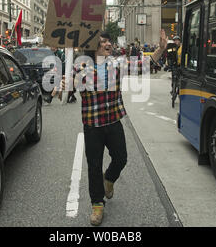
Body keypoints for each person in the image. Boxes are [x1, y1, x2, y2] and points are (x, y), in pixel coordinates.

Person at [59, 30, 167, 226]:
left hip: (114, 121)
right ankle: (97, 205)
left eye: (108, 41)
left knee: (121, 158)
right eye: (102, 43)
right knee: (93, 166)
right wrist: (62, 85)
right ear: (93, 48)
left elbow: (144, 65)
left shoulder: (117, 63)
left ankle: (108, 179)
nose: (107, 45)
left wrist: (161, 48)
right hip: (92, 125)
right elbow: (68, 88)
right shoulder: (81, 66)